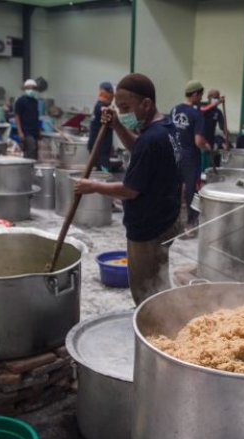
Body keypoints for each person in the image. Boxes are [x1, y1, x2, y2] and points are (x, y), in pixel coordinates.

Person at [74, 73, 181, 305]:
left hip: (148, 229)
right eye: (119, 108)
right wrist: (117, 126)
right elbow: (139, 149)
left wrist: (92, 186)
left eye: (125, 108)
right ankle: (164, 323)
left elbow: (130, 190)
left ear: (146, 104)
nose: (123, 113)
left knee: (146, 292)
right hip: (166, 219)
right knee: (159, 282)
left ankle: (156, 332)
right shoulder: (166, 127)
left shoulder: (151, 139)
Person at [171, 80, 212, 236]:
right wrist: (208, 147)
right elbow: (198, 141)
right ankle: (191, 225)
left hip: (174, 155)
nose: (200, 98)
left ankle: (173, 224)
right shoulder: (196, 114)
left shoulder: (174, 110)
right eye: (200, 95)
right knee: (192, 190)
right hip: (189, 157)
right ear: (195, 94)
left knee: (174, 189)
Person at [87, 81, 115, 171]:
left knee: (99, 167)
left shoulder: (100, 105)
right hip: (99, 146)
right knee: (104, 170)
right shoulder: (100, 106)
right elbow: (102, 109)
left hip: (98, 146)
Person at [14, 79, 40, 160]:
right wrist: (20, 132)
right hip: (26, 132)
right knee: (30, 151)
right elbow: (17, 116)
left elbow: (35, 117)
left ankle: (32, 170)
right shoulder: (20, 101)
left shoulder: (35, 102)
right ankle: (28, 170)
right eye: (29, 88)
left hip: (34, 132)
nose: (31, 90)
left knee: (35, 152)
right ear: (25, 89)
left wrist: (39, 131)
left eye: (33, 88)